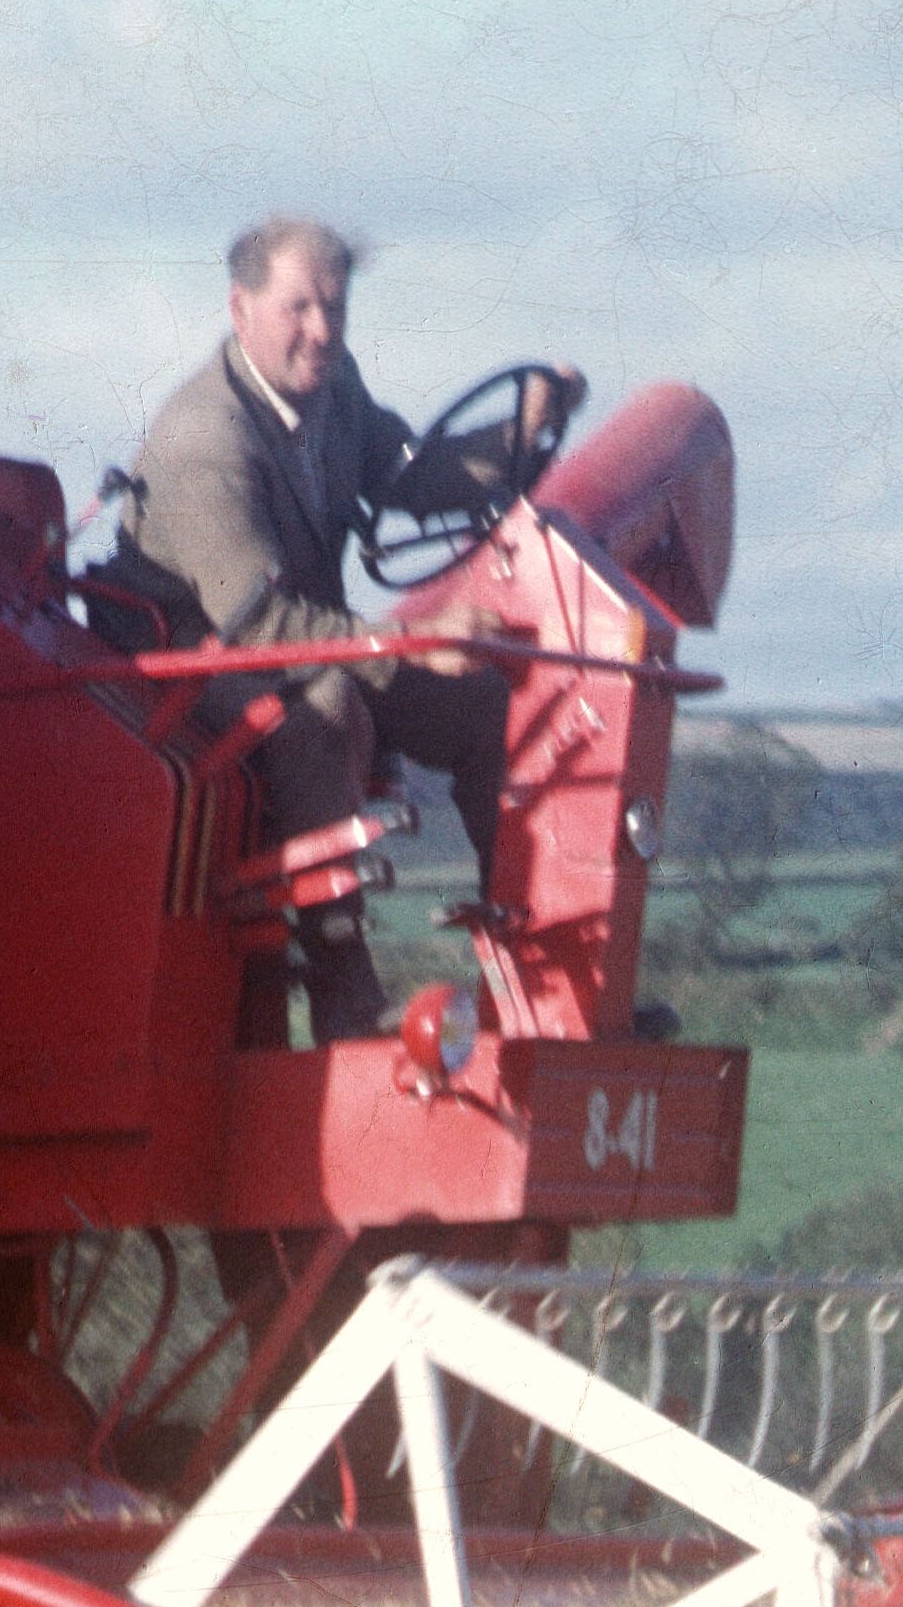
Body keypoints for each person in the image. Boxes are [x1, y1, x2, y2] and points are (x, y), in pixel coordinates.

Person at [133, 216, 580, 1040]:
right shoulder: (206, 436)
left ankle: (541, 981)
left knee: (485, 703)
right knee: (326, 711)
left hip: (312, 643)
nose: (322, 331)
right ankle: (345, 997)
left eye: (334, 309)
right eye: (298, 308)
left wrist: (520, 433)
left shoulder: (336, 395)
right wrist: (411, 642)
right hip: (203, 665)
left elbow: (410, 479)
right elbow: (256, 617)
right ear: (241, 307)